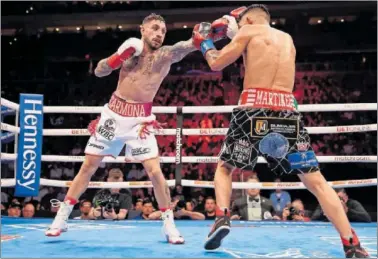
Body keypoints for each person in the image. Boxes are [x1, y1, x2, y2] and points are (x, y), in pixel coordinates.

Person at [192, 4, 369, 257]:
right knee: (316, 182)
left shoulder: (248, 32)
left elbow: (217, 63)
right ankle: (351, 242)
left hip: (253, 110)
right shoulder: (287, 39)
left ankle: (222, 217)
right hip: (287, 112)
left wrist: (205, 44)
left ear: (250, 20)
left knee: (225, 167)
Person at [45, 13, 198, 244]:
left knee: (155, 172)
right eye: (155, 28)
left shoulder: (165, 55)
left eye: (163, 31)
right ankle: (62, 218)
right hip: (114, 115)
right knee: (88, 166)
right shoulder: (130, 51)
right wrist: (118, 57)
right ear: (142, 30)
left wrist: (203, 37)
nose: (159, 34)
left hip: (141, 121)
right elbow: (99, 71)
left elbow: (187, 46)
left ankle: (169, 225)